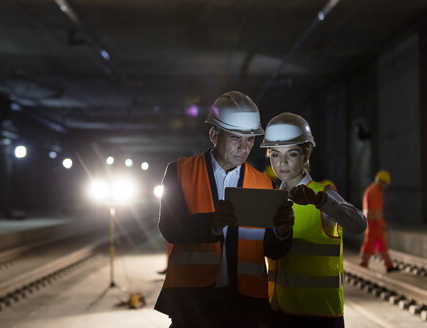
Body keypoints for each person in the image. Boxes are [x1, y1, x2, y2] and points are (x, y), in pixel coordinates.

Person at [154, 91, 295, 328]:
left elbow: (273, 248)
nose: (244, 147)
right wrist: (212, 224)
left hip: (245, 306)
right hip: (193, 304)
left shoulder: (264, 183)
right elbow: (168, 227)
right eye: (236, 139)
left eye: (250, 139)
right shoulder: (179, 171)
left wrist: (282, 231)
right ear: (213, 135)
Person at [260, 112, 367, 328]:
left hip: (320, 318)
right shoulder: (270, 199)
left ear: (305, 156)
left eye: (291, 154)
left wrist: (320, 201)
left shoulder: (322, 194)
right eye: (275, 155)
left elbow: (359, 224)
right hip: (280, 314)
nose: (282, 163)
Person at [359, 170, 398, 272]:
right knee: (369, 245)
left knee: (382, 246)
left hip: (374, 224)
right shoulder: (374, 192)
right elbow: (376, 212)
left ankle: (389, 266)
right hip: (373, 225)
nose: (385, 186)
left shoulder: (373, 190)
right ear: (381, 181)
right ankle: (363, 264)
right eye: (385, 183)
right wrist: (382, 224)